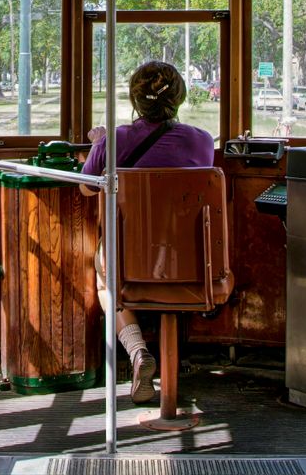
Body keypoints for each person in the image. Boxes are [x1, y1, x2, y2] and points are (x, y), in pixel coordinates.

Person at [81, 60, 215, 404]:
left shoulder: (115, 140)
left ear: (136, 100)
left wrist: (100, 143)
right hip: (195, 266)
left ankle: (138, 350)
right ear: (180, 98)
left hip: (131, 267)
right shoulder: (202, 141)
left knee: (103, 277)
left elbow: (85, 188)